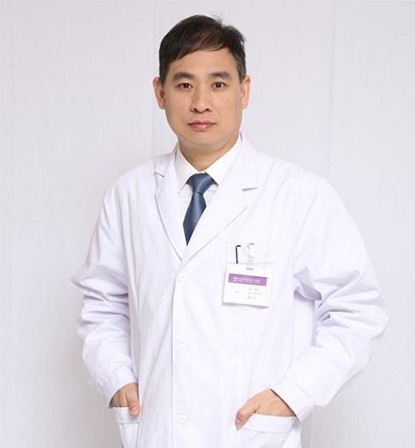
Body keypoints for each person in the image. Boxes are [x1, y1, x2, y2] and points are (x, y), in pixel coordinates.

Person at [72, 14, 388, 448]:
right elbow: (103, 304)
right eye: (184, 84)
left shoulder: (299, 195)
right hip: (156, 432)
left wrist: (293, 394)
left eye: (218, 84)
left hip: (251, 436)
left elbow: (358, 309)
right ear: (160, 92)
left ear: (244, 90)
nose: (201, 103)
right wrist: (117, 377)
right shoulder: (128, 195)